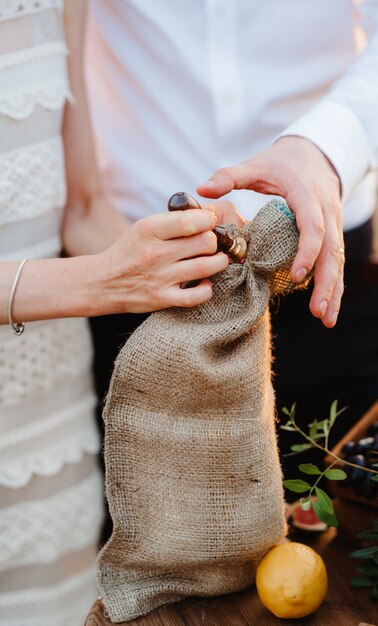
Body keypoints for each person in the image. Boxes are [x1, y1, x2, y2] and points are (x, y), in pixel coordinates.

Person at [85, 0, 378, 476]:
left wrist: (327, 146)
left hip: (324, 276)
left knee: (363, 513)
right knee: (155, 523)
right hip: (140, 283)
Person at [0, 1, 227, 624]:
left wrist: (202, 259)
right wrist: (102, 281)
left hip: (48, 428)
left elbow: (82, 207)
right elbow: (101, 274)